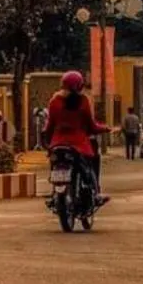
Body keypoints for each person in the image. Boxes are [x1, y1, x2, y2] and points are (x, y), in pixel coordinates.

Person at [40, 71, 109, 205]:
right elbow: (91, 125)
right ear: (80, 86)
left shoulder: (55, 101)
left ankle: (54, 193)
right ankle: (95, 193)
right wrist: (105, 128)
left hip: (58, 143)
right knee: (91, 164)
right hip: (79, 144)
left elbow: (49, 125)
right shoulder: (83, 101)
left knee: (55, 164)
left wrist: (47, 141)